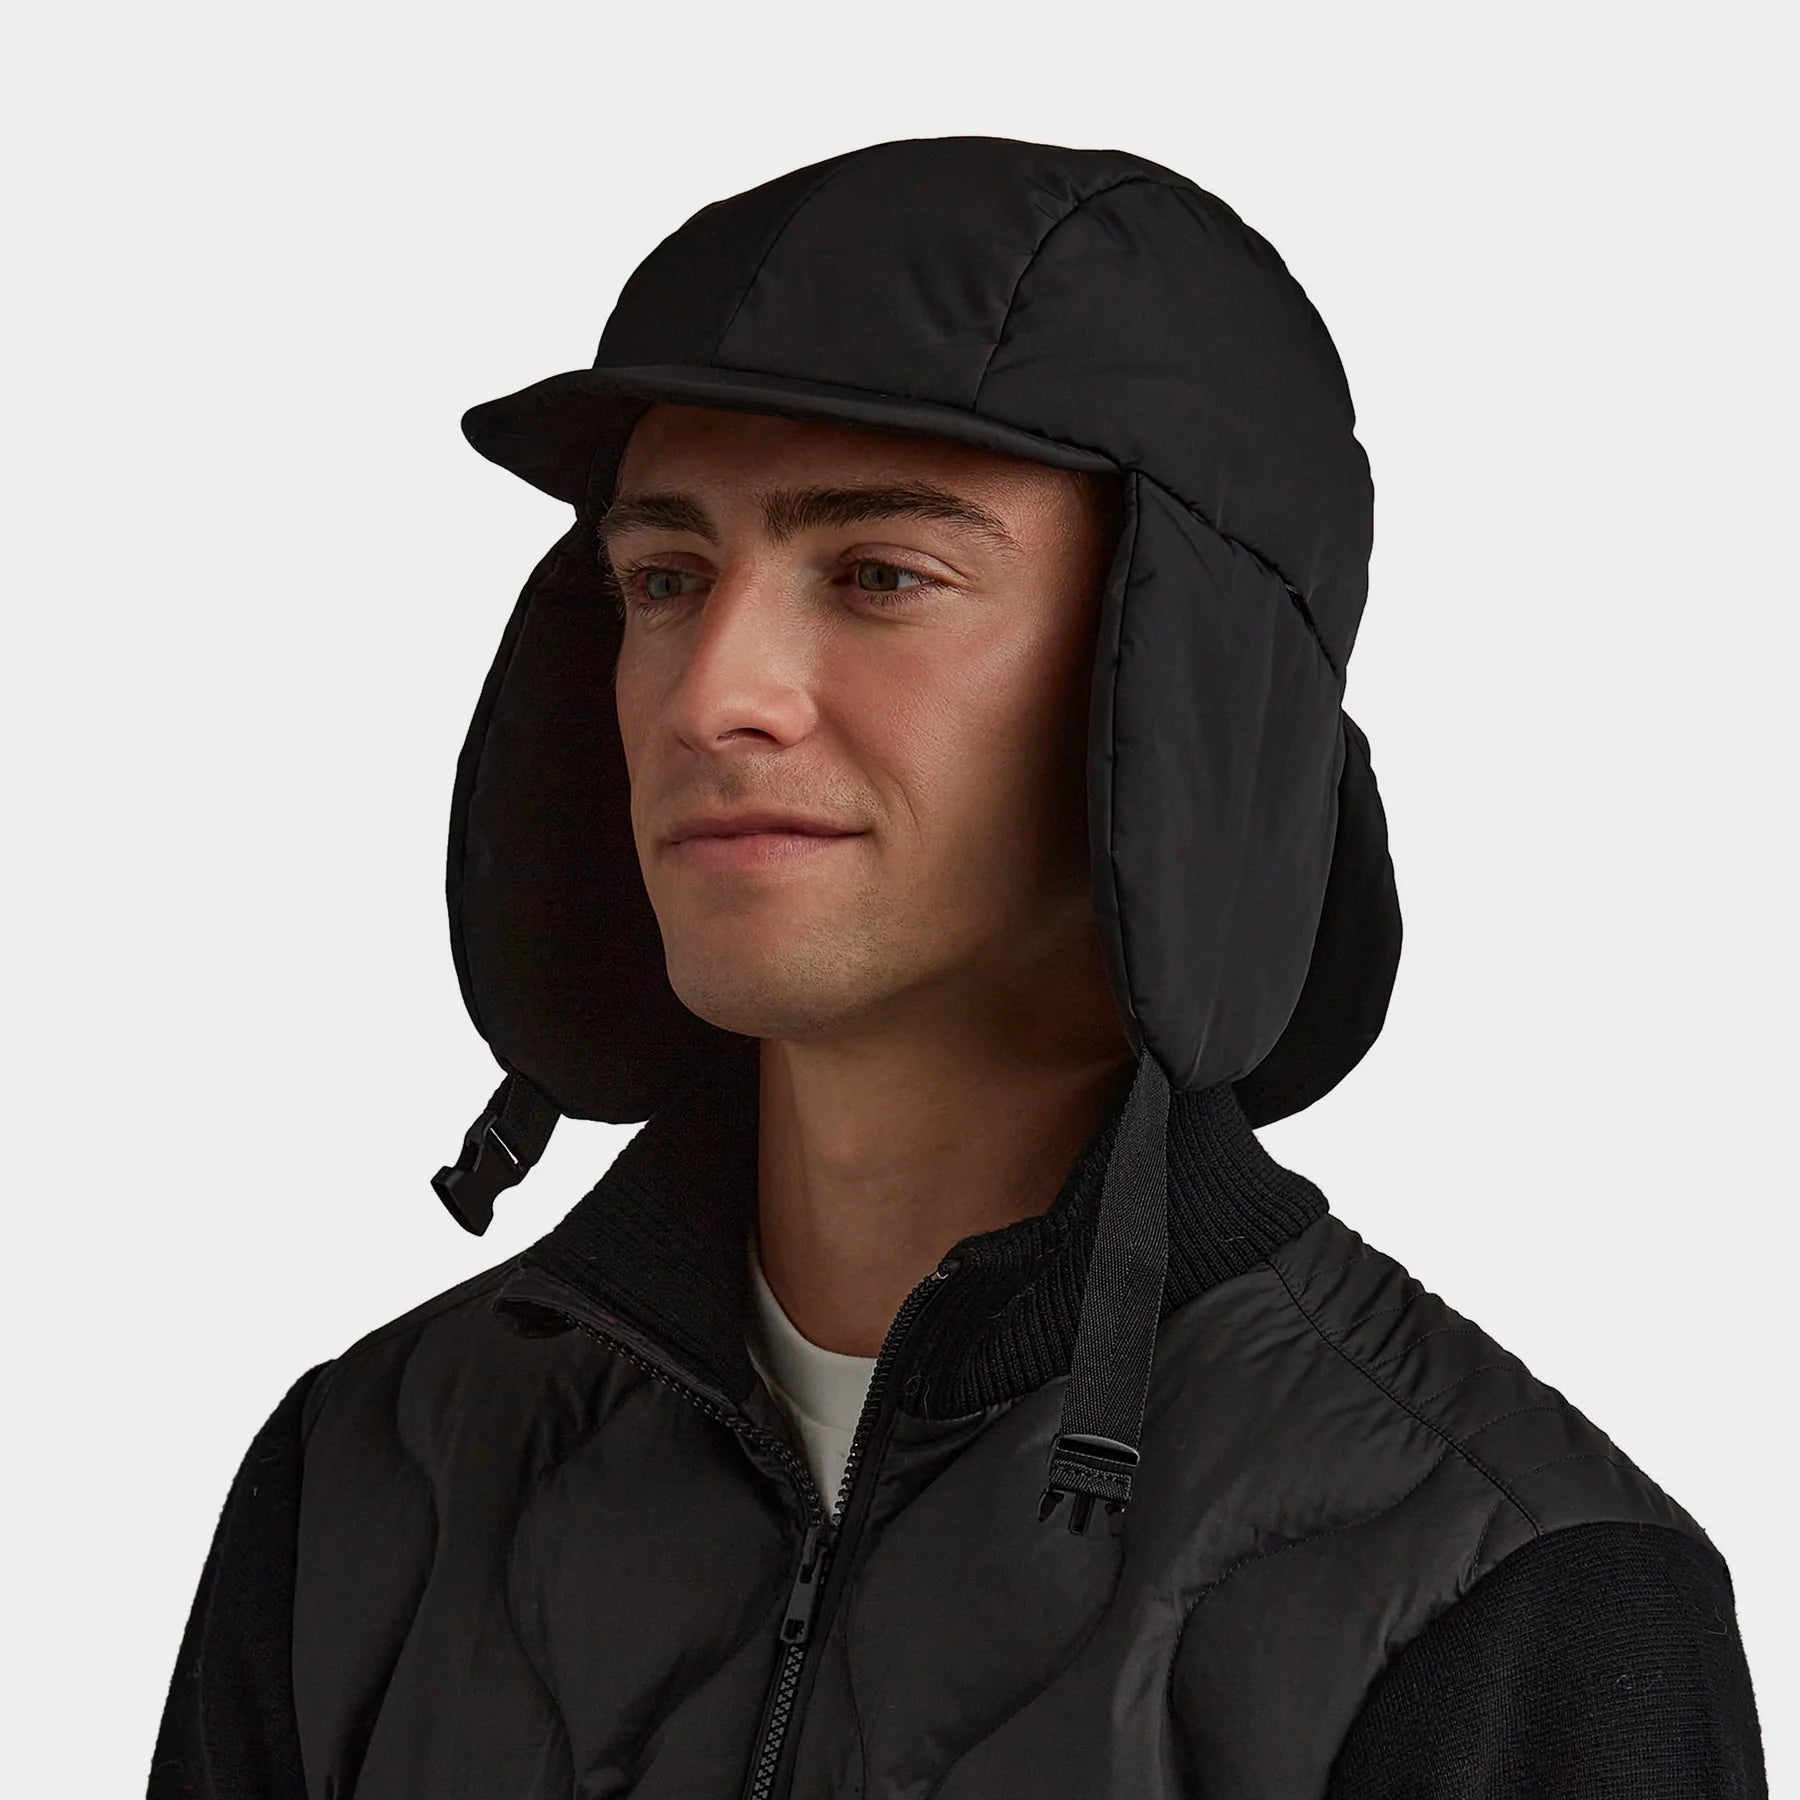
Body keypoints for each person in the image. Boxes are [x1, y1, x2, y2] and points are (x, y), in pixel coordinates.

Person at [148, 135, 1768, 1799]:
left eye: (879, 576)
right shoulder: (364, 1488)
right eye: (665, 579)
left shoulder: (1522, 1606)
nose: (713, 694)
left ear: (1175, 690)